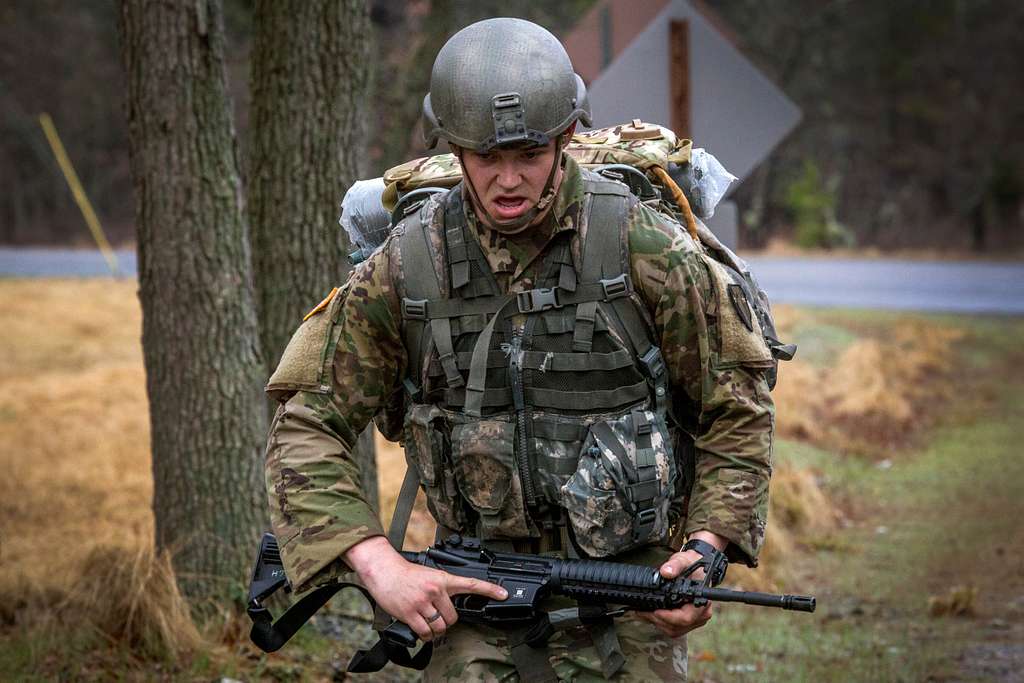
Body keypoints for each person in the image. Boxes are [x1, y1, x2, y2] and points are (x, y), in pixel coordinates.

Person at [264, 17, 774, 682]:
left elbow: (736, 406)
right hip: (473, 595)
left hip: (630, 591)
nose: (509, 180)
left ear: (566, 138)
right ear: (453, 149)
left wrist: (707, 549)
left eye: (529, 154)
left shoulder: (644, 248)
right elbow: (306, 423)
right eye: (486, 158)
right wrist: (377, 562)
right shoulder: (409, 266)